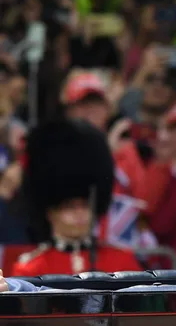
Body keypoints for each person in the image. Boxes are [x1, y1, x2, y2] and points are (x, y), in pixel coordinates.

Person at [10, 118, 142, 277]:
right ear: (50, 212)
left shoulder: (122, 262)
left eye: (85, 205)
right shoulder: (30, 268)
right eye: (69, 207)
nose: (79, 213)